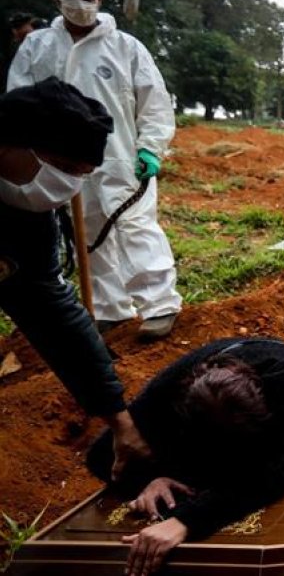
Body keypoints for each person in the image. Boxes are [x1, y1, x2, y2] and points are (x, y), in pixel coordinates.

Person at [8, 0, 182, 341]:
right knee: (88, 234)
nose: (79, 4)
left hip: (123, 159)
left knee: (136, 227)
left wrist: (150, 147)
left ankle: (159, 304)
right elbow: (18, 104)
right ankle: (110, 308)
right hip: (63, 165)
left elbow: (154, 103)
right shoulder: (37, 47)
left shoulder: (126, 48)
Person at [87, 337, 284, 576]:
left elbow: (274, 472)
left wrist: (185, 521)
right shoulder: (166, 396)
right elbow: (101, 457)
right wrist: (151, 479)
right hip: (209, 450)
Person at [0, 77, 152, 483]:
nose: (67, 188)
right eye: (64, 169)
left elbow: (52, 312)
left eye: (81, 176)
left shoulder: (30, 221)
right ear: (10, 143)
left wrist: (120, 420)